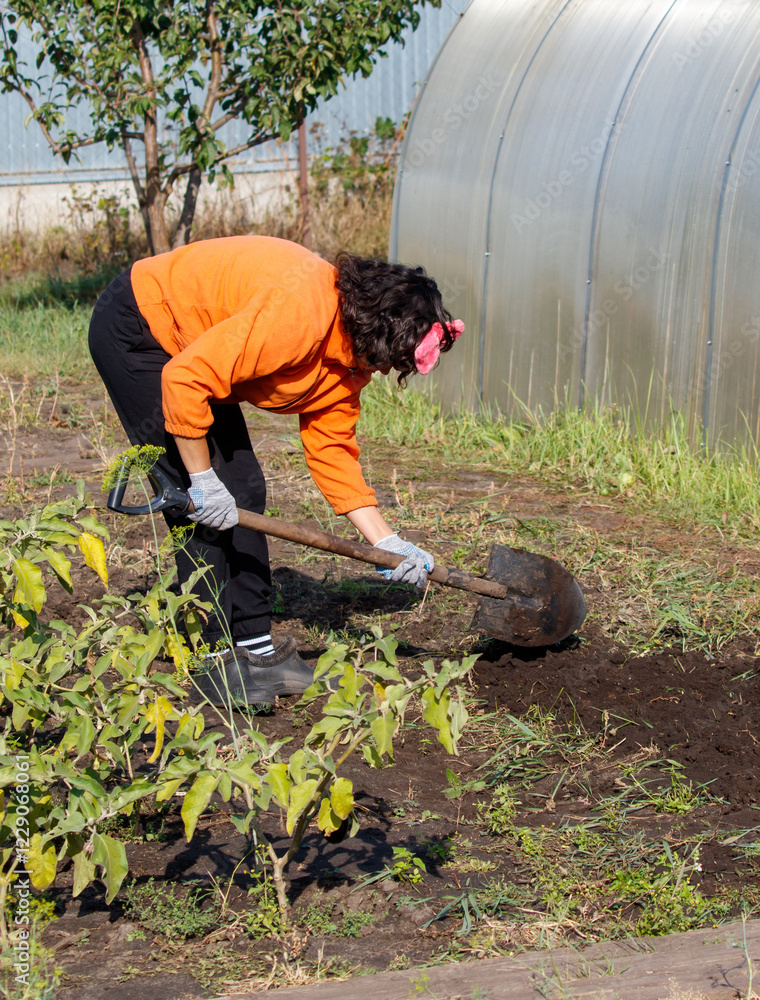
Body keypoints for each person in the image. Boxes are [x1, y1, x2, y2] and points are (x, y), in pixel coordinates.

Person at [89, 235, 463, 706]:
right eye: (395, 357)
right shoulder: (299, 313)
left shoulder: (349, 362)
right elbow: (185, 379)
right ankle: (213, 658)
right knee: (198, 506)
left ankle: (254, 646)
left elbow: (332, 449)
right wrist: (202, 483)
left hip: (197, 353)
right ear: (379, 325)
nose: (390, 371)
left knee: (243, 487)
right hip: (143, 327)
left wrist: (386, 542)